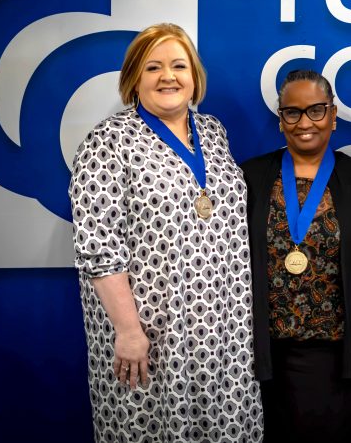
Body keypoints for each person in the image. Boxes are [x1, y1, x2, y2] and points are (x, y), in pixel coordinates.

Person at [69, 23, 262, 442]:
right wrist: (128, 331)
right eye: (153, 67)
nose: (168, 77)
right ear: (134, 78)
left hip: (221, 333)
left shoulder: (212, 132)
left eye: (179, 65)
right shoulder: (107, 142)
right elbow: (98, 247)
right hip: (152, 336)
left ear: (194, 76)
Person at [240, 70, 351, 442]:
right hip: (268, 359)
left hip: (339, 356)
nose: (305, 122)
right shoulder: (252, 177)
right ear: (280, 119)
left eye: (316, 111)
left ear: (334, 117)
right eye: (292, 112)